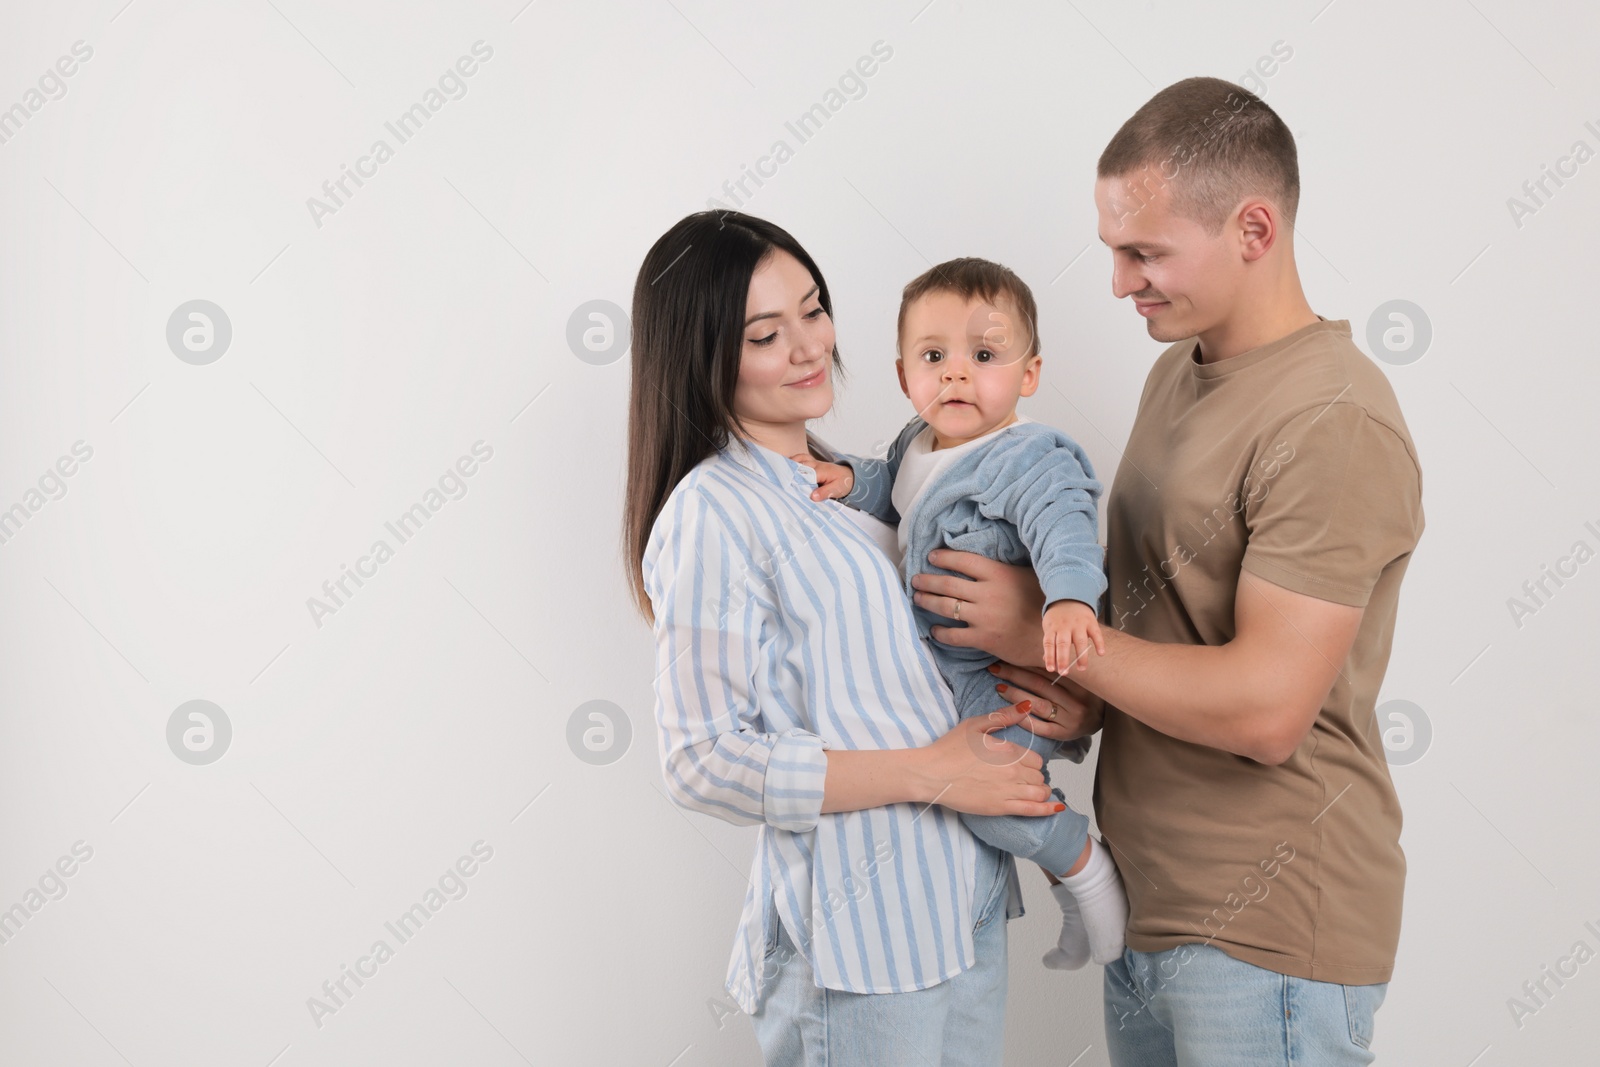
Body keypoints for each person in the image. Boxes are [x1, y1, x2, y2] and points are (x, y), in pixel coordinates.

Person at [905, 77, 1425, 1065]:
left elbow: (1268, 708)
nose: (1117, 282)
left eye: (1142, 251)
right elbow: (1164, 631)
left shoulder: (1331, 418)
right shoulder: (1175, 371)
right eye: (1111, 249)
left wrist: (1039, 634)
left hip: (1271, 928)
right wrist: (1076, 700)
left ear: (1253, 229)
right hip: (1152, 905)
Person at [623, 210, 1092, 1066]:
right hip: (861, 938)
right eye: (767, 333)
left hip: (962, 900)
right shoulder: (712, 513)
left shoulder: (859, 484)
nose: (808, 347)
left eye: (813, 309)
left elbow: (915, 672)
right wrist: (934, 771)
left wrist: (1047, 692)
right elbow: (701, 757)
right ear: (704, 356)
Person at [795, 256, 1129, 971]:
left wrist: (1068, 600)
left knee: (988, 799)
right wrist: (855, 480)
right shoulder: (917, 446)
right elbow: (898, 493)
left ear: (1028, 375)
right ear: (903, 376)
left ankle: (1084, 867)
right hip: (941, 677)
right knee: (987, 795)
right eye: (934, 356)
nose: (955, 374)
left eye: (984, 356)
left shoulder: (1029, 456)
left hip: (998, 677)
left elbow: (1064, 526)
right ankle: (1063, 878)